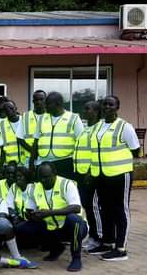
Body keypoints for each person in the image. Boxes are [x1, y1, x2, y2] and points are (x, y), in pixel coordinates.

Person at [86, 96, 140, 262]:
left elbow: (135, 150)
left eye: (111, 104)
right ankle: (107, 242)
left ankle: (121, 248)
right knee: (106, 209)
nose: (107, 107)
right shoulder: (98, 126)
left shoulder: (125, 127)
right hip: (102, 176)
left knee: (120, 210)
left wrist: (117, 164)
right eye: (105, 104)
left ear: (117, 107)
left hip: (120, 175)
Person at [16, 163, 87, 272]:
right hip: (52, 227)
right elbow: (29, 209)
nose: (43, 180)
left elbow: (76, 208)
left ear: (54, 174)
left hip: (73, 228)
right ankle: (56, 247)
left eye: (46, 177)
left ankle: (76, 258)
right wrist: (31, 215)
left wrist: (49, 213)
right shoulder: (35, 188)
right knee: (23, 228)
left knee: (74, 220)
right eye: (41, 177)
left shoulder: (66, 184)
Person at [73, 100, 103, 250]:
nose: (84, 111)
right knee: (87, 206)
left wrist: (91, 171)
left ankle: (99, 237)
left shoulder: (99, 129)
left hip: (91, 174)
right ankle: (93, 236)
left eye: (87, 109)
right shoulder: (86, 129)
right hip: (81, 173)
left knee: (94, 207)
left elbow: (97, 153)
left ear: (96, 112)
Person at [34, 91, 84, 179]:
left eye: (48, 104)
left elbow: (81, 143)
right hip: (43, 162)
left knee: (63, 189)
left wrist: (80, 166)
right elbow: (36, 141)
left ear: (58, 104)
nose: (45, 106)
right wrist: (32, 163)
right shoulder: (41, 118)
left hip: (65, 163)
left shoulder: (74, 118)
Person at [21, 90, 47, 172]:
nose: (38, 102)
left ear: (45, 100)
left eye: (41, 99)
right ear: (33, 101)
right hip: (29, 157)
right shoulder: (25, 116)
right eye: (36, 100)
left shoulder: (51, 115)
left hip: (45, 156)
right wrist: (33, 153)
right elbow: (19, 138)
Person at [0, 100, 27, 166]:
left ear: (16, 108)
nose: (9, 110)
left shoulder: (24, 121)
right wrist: (1, 166)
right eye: (6, 109)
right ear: (4, 112)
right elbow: (2, 147)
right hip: (10, 163)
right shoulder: (1, 125)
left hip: (25, 161)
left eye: (11, 108)